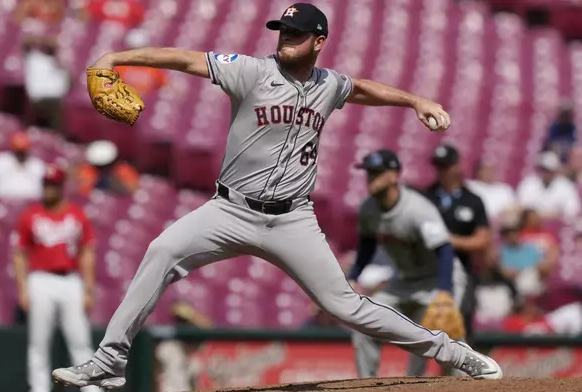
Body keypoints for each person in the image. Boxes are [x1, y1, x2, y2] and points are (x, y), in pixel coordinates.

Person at [52, 4, 502, 388]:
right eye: (282, 30)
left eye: (297, 33)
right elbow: (183, 59)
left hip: (292, 220)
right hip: (229, 210)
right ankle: (110, 359)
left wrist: (416, 101)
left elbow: (362, 88)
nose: (286, 37)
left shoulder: (329, 84)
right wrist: (117, 56)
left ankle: (454, 353)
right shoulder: (250, 71)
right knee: (162, 249)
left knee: (344, 306)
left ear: (319, 40)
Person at [348, 149, 467, 378]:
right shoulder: (368, 209)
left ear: (394, 175)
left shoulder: (418, 209)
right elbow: (367, 245)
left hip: (439, 278)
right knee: (364, 324)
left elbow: (444, 250)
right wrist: (354, 275)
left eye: (376, 172)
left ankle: (465, 383)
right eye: (368, 173)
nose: (370, 177)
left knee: (442, 332)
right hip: (405, 281)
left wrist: (445, 292)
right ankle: (365, 384)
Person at [12, 164, 100, 392]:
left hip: (70, 280)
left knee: (79, 339)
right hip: (40, 279)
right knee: (39, 342)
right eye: (46, 184)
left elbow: (87, 253)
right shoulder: (30, 215)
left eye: (53, 184)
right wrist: (22, 289)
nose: (48, 189)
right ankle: (39, 388)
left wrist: (88, 289)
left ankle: (90, 388)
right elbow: (20, 254)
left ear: (61, 186)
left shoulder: (76, 214)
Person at [424, 144, 492, 343]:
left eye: (446, 166)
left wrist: (450, 241)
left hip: (461, 267)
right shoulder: (426, 197)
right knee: (425, 325)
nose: (442, 171)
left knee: (462, 320)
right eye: (439, 166)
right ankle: (421, 373)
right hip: (428, 268)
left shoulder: (473, 200)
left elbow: (483, 240)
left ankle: (459, 371)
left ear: (456, 166)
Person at [0, 132, 46, 200]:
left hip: (30, 205)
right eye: (18, 150)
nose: (21, 154)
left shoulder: (37, 165)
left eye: (23, 150)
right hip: (3, 205)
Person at [516, 150, 581, 221]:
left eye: (549, 170)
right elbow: (522, 206)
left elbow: (572, 209)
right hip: (532, 223)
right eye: (543, 169)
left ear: (555, 170)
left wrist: (555, 215)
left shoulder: (565, 185)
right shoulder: (529, 183)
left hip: (557, 224)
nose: (546, 173)